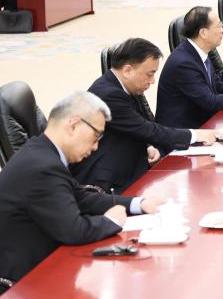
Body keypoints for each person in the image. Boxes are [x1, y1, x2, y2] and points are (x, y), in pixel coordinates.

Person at [0, 91, 161, 285]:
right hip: (25, 282)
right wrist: (112, 220)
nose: (95, 147)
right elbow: (73, 230)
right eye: (96, 136)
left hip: (45, 265)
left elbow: (82, 198)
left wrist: (139, 204)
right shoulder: (43, 166)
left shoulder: (42, 153)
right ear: (73, 125)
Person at [71, 38, 219, 193]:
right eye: (150, 74)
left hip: (128, 162)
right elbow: (146, 129)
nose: (152, 81)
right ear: (127, 71)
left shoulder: (121, 86)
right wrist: (195, 135)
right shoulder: (109, 95)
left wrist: (148, 146)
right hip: (107, 181)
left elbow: (133, 126)